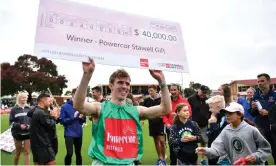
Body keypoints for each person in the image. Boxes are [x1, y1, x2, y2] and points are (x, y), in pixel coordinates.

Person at [73, 58, 171, 165]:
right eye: (120, 82)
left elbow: (165, 109)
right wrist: (87, 75)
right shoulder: (99, 108)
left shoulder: (136, 111)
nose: (124, 86)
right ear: (111, 85)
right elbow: (79, 105)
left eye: (127, 84)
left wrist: (162, 81)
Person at [196, 102, 272, 165]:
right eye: (226, 112)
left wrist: (255, 156)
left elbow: (265, 149)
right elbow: (217, 149)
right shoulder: (226, 130)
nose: (227, 115)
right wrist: (206, 150)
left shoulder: (252, 130)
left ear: (239, 115)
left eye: (230, 113)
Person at [249, 73, 276, 164]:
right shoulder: (256, 95)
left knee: (275, 152)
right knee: (259, 154)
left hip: (273, 128)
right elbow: (252, 113)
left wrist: (269, 113)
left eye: (262, 81)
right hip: (259, 127)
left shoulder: (274, 95)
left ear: (269, 81)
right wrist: (253, 108)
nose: (259, 83)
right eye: (258, 81)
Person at [162, 84, 191, 165]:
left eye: (175, 90)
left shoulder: (184, 101)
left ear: (179, 91)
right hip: (171, 128)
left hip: (183, 128)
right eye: (171, 90)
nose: (173, 92)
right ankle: (173, 163)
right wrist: (167, 123)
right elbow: (164, 114)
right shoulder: (167, 102)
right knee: (172, 148)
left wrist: (180, 115)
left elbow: (189, 113)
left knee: (184, 147)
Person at [29, 93, 60, 165]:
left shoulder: (38, 110)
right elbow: (50, 125)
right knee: (51, 163)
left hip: (39, 144)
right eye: (49, 101)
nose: (50, 103)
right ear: (43, 101)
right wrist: (54, 117)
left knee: (38, 162)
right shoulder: (40, 112)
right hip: (43, 144)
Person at [207, 83, 232, 165]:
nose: (209, 110)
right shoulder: (214, 115)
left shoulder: (225, 118)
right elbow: (210, 134)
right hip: (212, 148)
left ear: (217, 107)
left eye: (211, 107)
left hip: (220, 151)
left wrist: (213, 124)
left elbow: (219, 136)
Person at [60, 88, 86, 165]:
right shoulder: (65, 106)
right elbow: (62, 121)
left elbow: (83, 121)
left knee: (78, 154)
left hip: (79, 133)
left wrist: (82, 118)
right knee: (70, 153)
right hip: (69, 133)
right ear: (73, 95)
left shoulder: (81, 105)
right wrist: (73, 117)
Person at [143, 85, 166, 165]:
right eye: (149, 91)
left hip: (160, 123)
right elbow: (144, 111)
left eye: (151, 90)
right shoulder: (147, 100)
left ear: (156, 90)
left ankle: (163, 158)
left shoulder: (161, 99)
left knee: (162, 141)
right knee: (156, 141)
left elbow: (165, 110)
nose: (150, 92)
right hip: (152, 123)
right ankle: (160, 158)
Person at [188, 85, 210, 165]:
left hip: (204, 124)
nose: (203, 94)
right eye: (202, 92)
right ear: (198, 90)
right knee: (193, 142)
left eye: (205, 93)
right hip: (193, 125)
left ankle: (202, 159)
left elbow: (209, 111)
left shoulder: (207, 100)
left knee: (204, 142)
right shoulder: (191, 99)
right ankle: (193, 160)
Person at [9, 92, 31, 165]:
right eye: (23, 97)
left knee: (27, 152)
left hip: (27, 132)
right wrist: (19, 126)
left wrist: (29, 125)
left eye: (26, 97)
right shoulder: (14, 109)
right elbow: (11, 123)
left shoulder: (29, 108)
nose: (25, 99)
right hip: (17, 133)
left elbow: (32, 120)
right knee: (18, 152)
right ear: (19, 98)